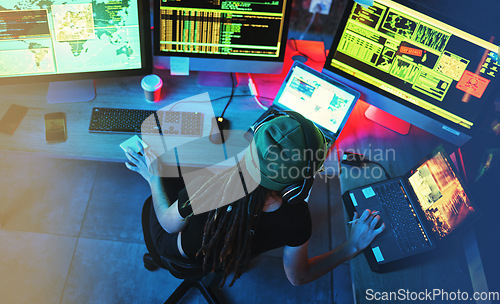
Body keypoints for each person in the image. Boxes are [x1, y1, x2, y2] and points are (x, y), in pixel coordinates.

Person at [124, 112, 385, 287]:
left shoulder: (210, 183)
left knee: (164, 181)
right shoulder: (297, 218)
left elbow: (169, 225)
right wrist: (352, 245)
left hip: (174, 247)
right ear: (299, 181)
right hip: (225, 255)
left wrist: (153, 178)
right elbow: (298, 276)